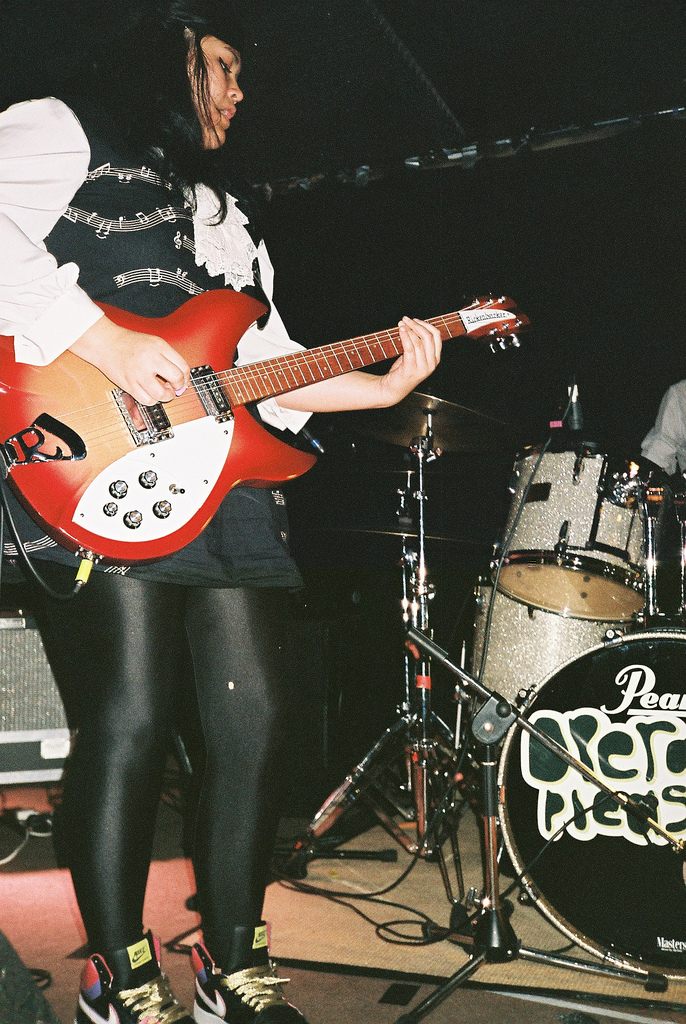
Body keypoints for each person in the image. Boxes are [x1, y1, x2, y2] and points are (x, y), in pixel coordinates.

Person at [0, 4, 441, 1023]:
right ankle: (119, 976)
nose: (239, 93)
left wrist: (379, 388)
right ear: (168, 58)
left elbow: (261, 365)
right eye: (222, 66)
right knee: (131, 718)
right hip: (94, 459)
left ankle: (231, 967)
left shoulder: (228, 217)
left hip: (226, 485)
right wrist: (103, 340)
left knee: (254, 721)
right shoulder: (63, 128)